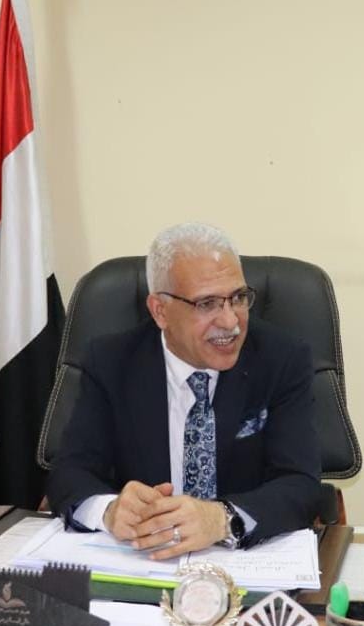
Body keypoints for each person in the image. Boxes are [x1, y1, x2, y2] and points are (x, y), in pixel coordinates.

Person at [46, 222, 321, 558]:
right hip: (145, 560)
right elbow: (69, 473)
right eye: (207, 304)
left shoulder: (282, 359)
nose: (230, 322)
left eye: (238, 298)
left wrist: (220, 519)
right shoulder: (111, 362)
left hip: (244, 561)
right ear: (160, 311)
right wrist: (109, 510)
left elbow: (301, 484)